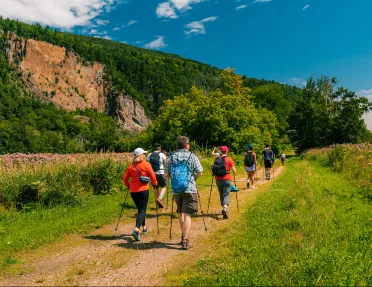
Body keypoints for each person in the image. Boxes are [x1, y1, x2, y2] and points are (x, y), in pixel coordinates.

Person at [164, 136, 203, 250]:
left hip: (176, 189)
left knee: (180, 213)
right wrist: (193, 178)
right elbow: (200, 171)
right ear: (187, 145)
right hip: (190, 188)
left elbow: (166, 175)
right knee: (187, 214)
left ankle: (183, 236)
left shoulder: (171, 157)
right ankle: (185, 240)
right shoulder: (192, 156)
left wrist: (175, 178)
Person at [123, 148, 158, 241]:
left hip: (133, 191)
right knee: (142, 210)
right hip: (143, 191)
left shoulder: (131, 166)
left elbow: (125, 178)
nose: (145, 155)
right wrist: (155, 184)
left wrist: (128, 185)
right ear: (141, 155)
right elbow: (152, 176)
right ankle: (136, 230)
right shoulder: (146, 164)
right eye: (144, 154)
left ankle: (145, 228)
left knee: (140, 210)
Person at [213, 146, 236, 219]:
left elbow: (213, 169)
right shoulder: (229, 159)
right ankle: (225, 207)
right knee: (226, 194)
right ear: (227, 151)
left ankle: (223, 207)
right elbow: (234, 170)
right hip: (227, 179)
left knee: (221, 194)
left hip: (218, 179)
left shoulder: (216, 159)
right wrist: (234, 175)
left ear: (220, 151)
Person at [147, 143, 167, 208]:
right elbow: (165, 164)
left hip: (153, 173)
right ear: (160, 148)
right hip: (161, 172)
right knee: (164, 186)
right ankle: (160, 198)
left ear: (154, 148)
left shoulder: (150, 155)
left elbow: (147, 164)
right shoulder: (162, 154)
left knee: (155, 187)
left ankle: (157, 202)